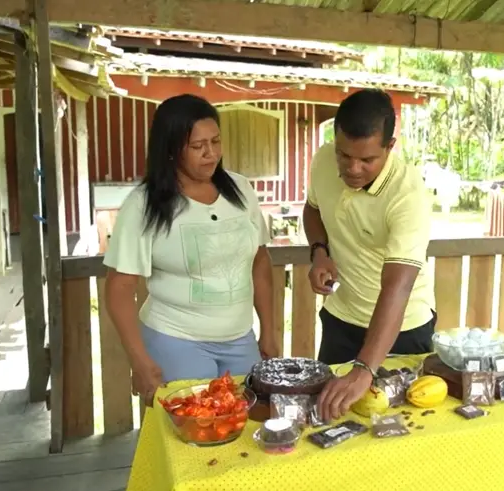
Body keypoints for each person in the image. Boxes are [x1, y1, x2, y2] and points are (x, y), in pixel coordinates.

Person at [103, 94, 278, 406]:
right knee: (190, 435)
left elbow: (260, 263)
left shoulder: (240, 190)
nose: (211, 154)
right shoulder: (143, 204)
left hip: (240, 338)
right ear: (171, 149)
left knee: (244, 429)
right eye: (198, 146)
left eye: (216, 141)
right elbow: (120, 287)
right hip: (175, 340)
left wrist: (269, 329)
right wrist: (139, 360)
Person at [303, 89, 436, 421]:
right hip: (341, 320)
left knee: (398, 428)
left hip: (403, 330)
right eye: (344, 155)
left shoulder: (407, 195)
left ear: (390, 147)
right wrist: (319, 253)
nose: (353, 169)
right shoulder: (322, 161)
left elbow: (397, 287)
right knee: (330, 417)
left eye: (367, 160)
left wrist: (364, 368)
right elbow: (312, 209)